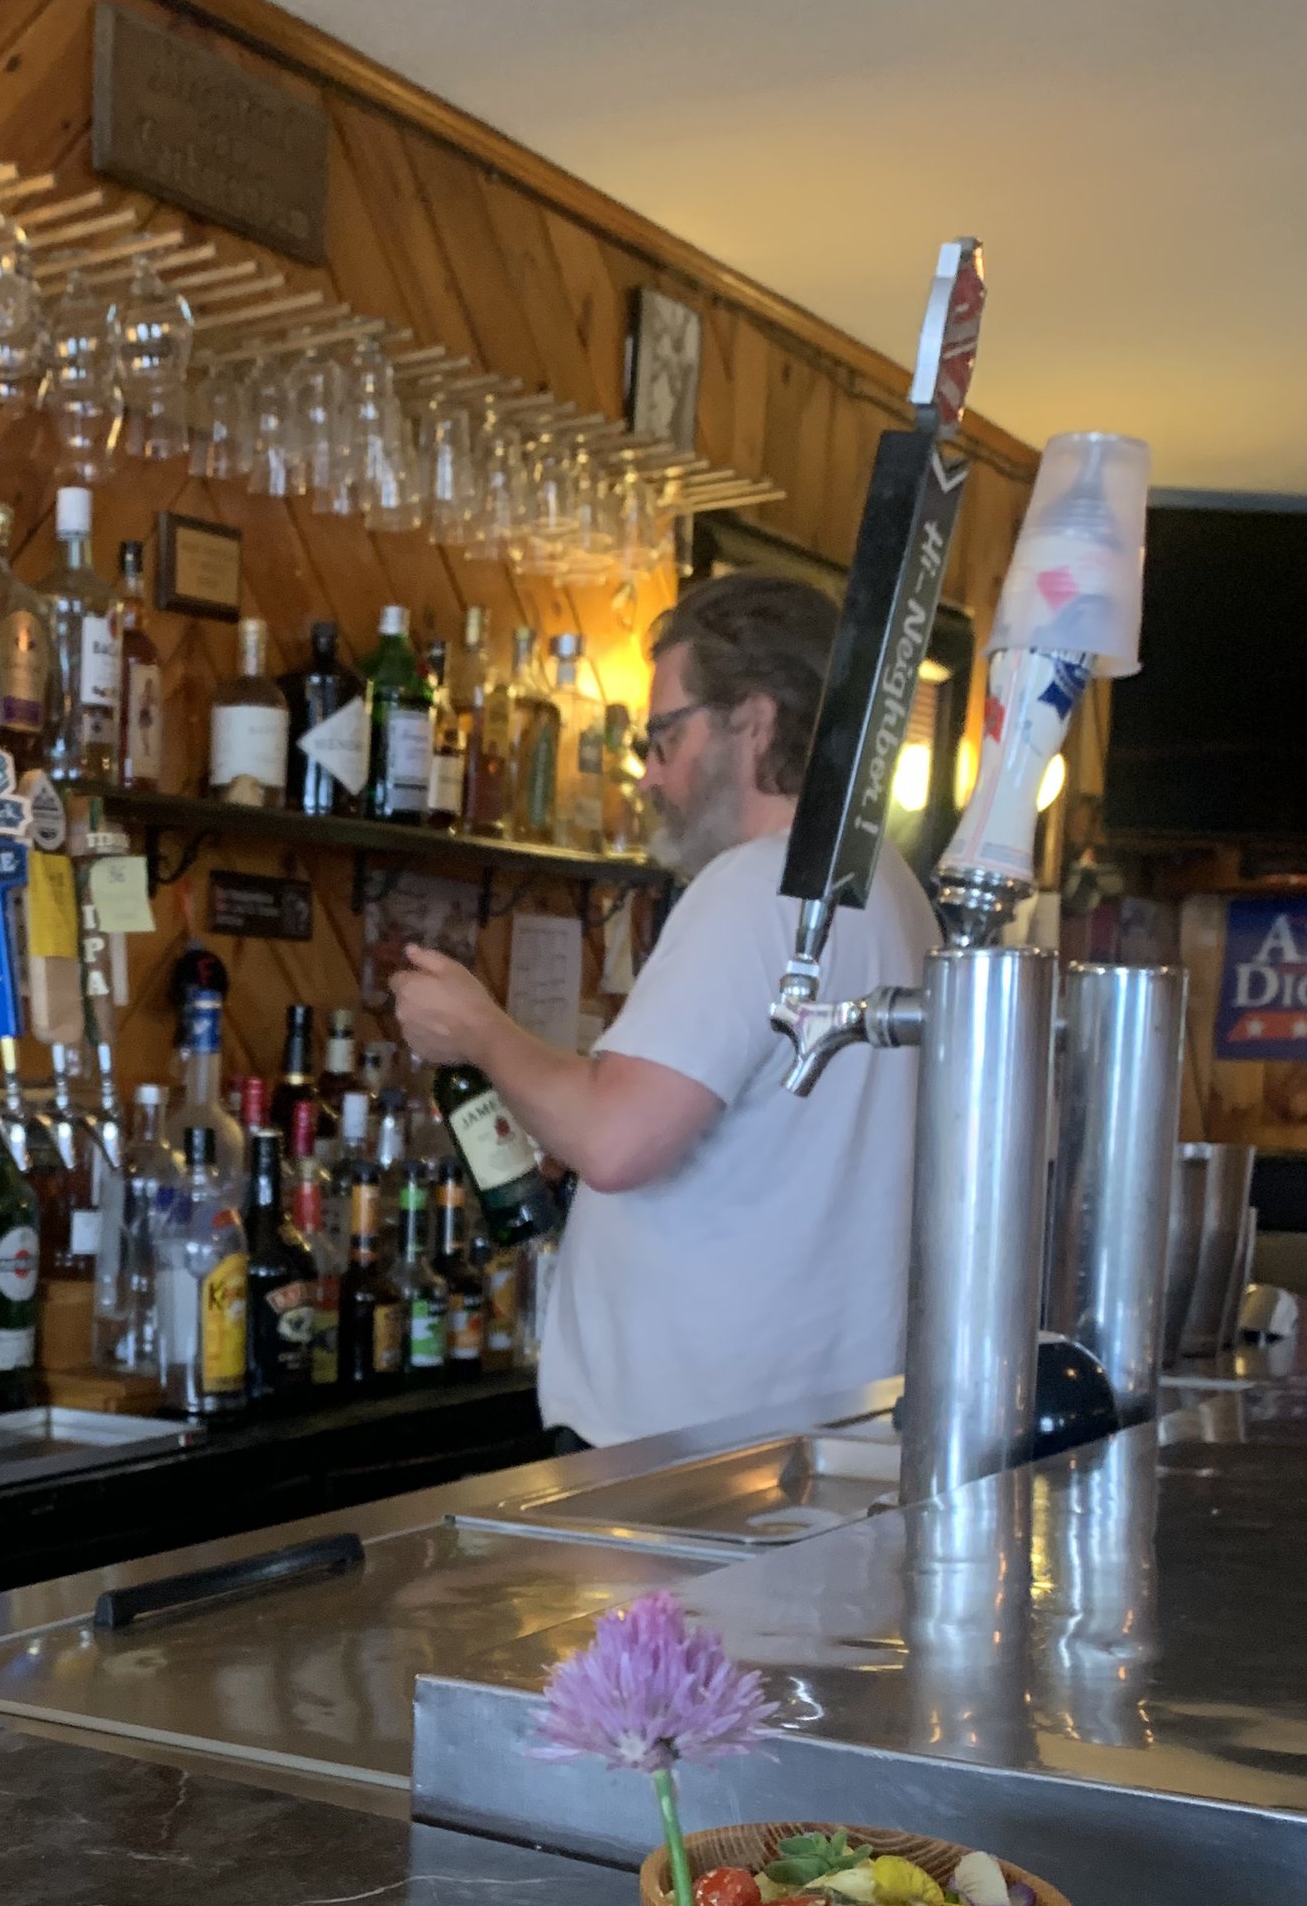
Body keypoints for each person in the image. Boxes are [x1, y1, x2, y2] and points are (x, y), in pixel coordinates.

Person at [390, 572, 940, 1447]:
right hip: (820, 1438)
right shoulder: (889, 890)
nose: (648, 773)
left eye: (664, 735)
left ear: (752, 720)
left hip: (686, 1468)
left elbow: (615, 1139)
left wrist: (478, 1030)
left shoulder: (760, 887)